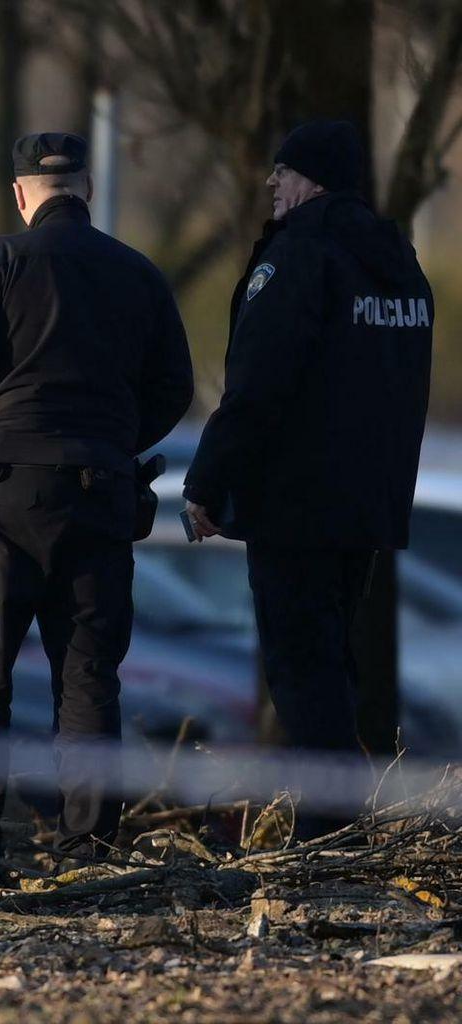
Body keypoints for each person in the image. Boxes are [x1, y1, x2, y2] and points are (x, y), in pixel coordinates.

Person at [0, 132, 194, 883]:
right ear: (87, 190)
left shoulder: (1, 261)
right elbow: (173, 386)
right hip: (102, 493)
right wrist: (111, 438)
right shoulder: (137, 273)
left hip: (1, 497)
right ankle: (90, 854)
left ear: (20, 195)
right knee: (88, 676)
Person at [183, 120, 432, 835]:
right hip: (368, 506)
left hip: (297, 504)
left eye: (283, 172)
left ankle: (329, 832)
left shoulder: (301, 258)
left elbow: (258, 385)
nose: (271, 185)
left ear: (312, 179)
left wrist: (208, 480)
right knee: (333, 662)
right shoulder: (398, 265)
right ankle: (342, 825)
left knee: (302, 672)